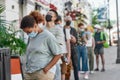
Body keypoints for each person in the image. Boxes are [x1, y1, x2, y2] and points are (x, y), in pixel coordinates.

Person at [20, 15, 62, 80]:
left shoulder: (48, 36)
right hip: (30, 72)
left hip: (43, 73)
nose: (28, 34)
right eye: (26, 33)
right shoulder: (31, 37)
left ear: (35, 25)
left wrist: (47, 68)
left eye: (29, 32)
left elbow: (58, 54)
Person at [45, 9, 70, 80]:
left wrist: (68, 54)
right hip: (43, 60)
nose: (48, 15)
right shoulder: (42, 29)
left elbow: (57, 45)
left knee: (56, 77)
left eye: (50, 14)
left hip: (54, 60)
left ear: (55, 18)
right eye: (48, 13)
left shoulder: (58, 29)